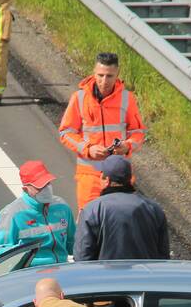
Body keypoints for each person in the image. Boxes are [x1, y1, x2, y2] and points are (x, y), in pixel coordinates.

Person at [58, 52, 147, 209]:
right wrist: (88, 149)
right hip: (89, 174)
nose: (104, 81)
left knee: (121, 221)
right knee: (88, 221)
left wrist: (127, 146)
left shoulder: (127, 98)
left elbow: (138, 132)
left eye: (109, 76)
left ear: (117, 74)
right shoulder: (79, 98)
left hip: (119, 176)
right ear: (94, 72)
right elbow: (66, 132)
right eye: (100, 75)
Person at [74, 156, 169, 261]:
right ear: (130, 180)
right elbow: (163, 256)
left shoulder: (92, 210)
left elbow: (82, 257)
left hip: (106, 276)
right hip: (144, 276)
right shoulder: (154, 209)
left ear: (106, 180)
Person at [0, 160, 75, 265]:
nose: (47, 188)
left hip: (60, 269)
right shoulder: (11, 214)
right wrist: (21, 251)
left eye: (48, 183)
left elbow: (74, 243)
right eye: (40, 186)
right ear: (26, 189)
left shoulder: (62, 207)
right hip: (30, 274)